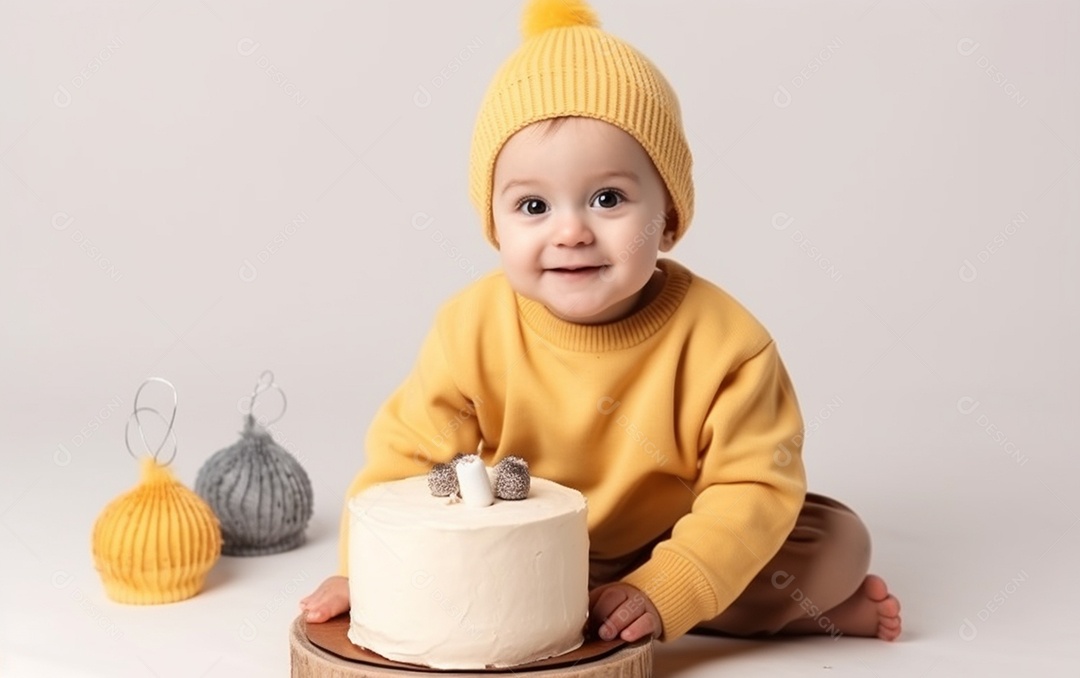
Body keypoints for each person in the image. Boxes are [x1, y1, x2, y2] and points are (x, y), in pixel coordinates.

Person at [300, 0, 901, 644]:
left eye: (607, 199)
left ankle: (653, 606)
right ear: (494, 226)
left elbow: (753, 484)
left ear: (667, 217)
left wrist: (670, 582)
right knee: (462, 565)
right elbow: (407, 459)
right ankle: (629, 607)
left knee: (835, 540)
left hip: (674, 535)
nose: (571, 231)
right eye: (533, 205)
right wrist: (367, 571)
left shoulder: (728, 344)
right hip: (522, 544)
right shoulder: (471, 327)